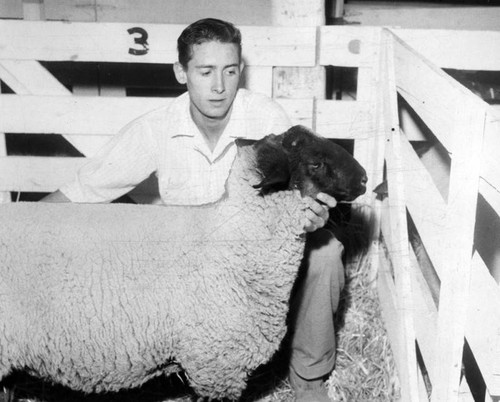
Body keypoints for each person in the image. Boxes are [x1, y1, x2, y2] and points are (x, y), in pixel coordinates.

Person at [42, 18, 344, 402]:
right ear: (181, 72)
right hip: (189, 273)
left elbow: (300, 197)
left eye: (230, 71)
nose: (219, 86)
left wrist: (313, 216)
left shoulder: (269, 122)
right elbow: (83, 190)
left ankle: (309, 378)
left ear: (241, 70)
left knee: (325, 253)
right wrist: (18, 230)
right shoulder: (155, 129)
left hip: (252, 262)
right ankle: (161, 365)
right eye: (205, 71)